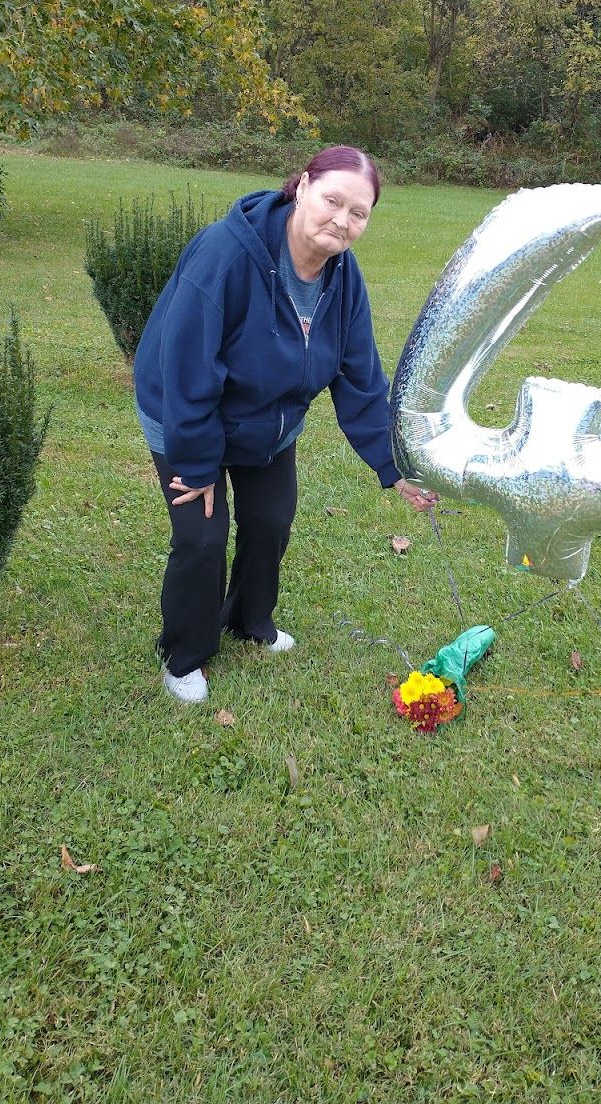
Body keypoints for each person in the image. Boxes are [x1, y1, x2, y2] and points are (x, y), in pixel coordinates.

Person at [133, 145, 436, 703]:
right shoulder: (224, 255)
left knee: (270, 520)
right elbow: (188, 369)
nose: (341, 221)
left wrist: (393, 468)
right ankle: (184, 655)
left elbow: (360, 377)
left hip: (267, 422)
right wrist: (198, 464)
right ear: (301, 187)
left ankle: (250, 622)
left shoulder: (343, 281)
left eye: (359, 213)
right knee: (201, 535)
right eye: (333, 201)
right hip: (185, 410)